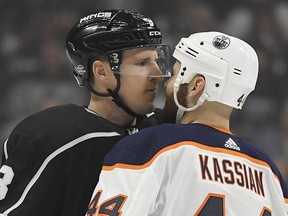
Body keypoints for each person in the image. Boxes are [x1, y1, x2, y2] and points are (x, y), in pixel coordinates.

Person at [86, 31, 288, 215]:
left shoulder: (151, 146)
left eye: (175, 74)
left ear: (195, 87)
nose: (167, 83)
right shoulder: (269, 172)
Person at [0, 9, 171, 216]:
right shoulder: (55, 139)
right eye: (142, 63)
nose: (158, 74)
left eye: (156, 60)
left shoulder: (168, 129)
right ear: (102, 72)